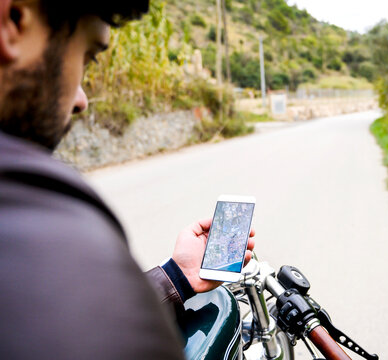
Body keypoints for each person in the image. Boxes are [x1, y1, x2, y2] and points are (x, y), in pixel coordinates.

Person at [0, 0, 255, 358]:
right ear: (13, 19)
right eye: (86, 55)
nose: (81, 100)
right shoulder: (32, 209)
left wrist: (177, 278)